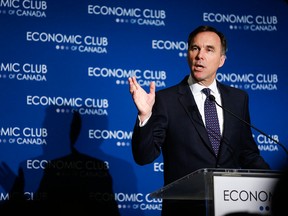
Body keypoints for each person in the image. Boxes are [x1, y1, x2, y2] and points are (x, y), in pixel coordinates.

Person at [128, 25, 270, 216]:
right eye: (195, 48)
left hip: (232, 208)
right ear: (188, 54)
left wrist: (274, 183)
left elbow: (248, 153)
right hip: (185, 210)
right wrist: (145, 115)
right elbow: (144, 156)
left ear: (222, 60)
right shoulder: (166, 100)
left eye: (209, 49)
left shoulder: (238, 99)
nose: (199, 55)